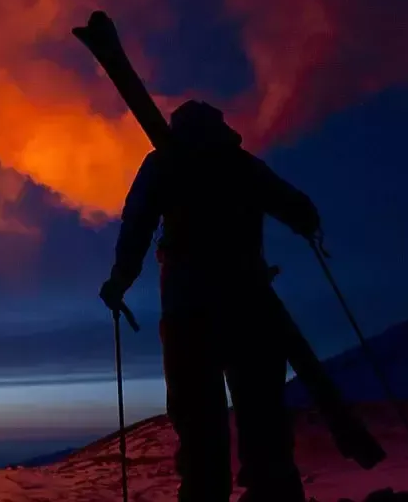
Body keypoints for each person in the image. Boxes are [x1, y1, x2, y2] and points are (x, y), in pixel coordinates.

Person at [99, 100, 321, 502]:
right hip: (250, 307)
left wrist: (119, 281)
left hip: (189, 312)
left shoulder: (163, 164)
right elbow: (299, 209)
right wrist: (307, 223)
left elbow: (136, 226)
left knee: (198, 421)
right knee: (262, 414)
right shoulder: (241, 165)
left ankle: (206, 495)